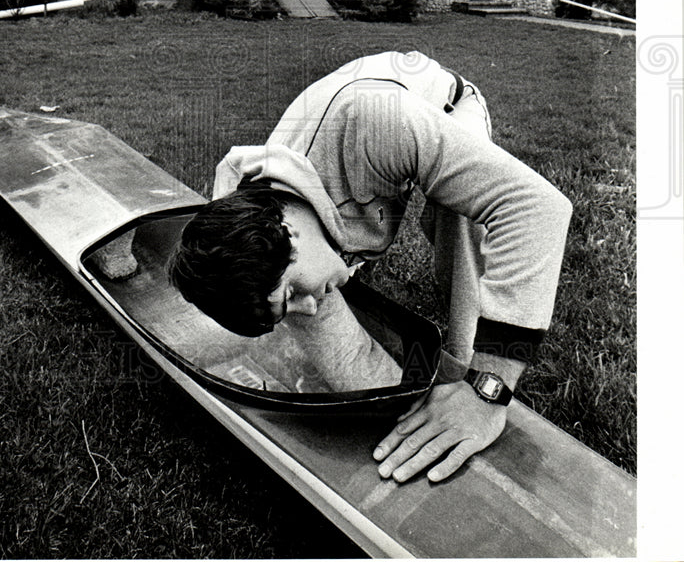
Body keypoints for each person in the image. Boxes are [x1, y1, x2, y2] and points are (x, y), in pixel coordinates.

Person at [168, 50, 572, 483]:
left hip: (440, 106)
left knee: (462, 227)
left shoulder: (374, 124)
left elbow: (537, 209)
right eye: (284, 310)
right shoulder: (261, 246)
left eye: (292, 295)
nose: (307, 308)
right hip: (356, 153)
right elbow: (352, 360)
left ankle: (469, 388)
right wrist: (401, 412)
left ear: (290, 231)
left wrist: (485, 392)